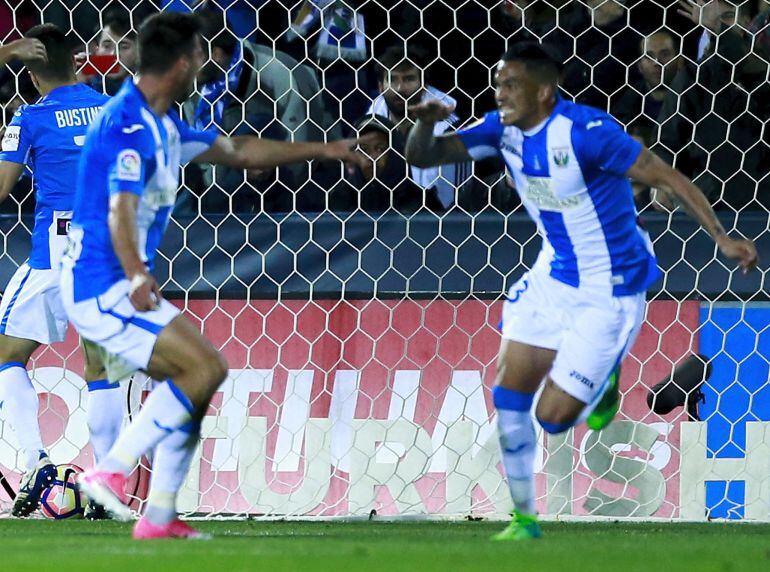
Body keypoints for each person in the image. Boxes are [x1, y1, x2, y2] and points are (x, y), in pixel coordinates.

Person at [404, 42, 757, 541]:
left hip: (610, 284)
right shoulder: (499, 128)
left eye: (510, 85)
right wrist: (425, 121)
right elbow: (425, 156)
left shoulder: (588, 134)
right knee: (509, 390)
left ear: (544, 92)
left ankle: (606, 376)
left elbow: (668, 177)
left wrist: (721, 236)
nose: (499, 93)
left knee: (553, 418)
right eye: (497, 83)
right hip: (554, 271)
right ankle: (524, 519)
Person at [62, 12, 365, 540]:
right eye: (200, 55)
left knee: (196, 380)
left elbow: (239, 151)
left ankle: (157, 516)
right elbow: (120, 210)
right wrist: (136, 276)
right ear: (182, 64)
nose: (205, 63)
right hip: (101, 283)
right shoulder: (127, 124)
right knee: (204, 370)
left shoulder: (164, 124)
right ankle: (109, 469)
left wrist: (325, 149)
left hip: (118, 279)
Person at [0, 24, 118, 519]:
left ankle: (36, 462)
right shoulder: (112, 110)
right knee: (102, 368)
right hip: (108, 250)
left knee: (7, 353)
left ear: (29, 70)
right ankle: (107, 485)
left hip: (55, 252)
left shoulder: (28, 118)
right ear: (78, 59)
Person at [370, 44, 472, 210]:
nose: (400, 89)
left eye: (409, 79)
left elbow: (462, 193)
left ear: (423, 84)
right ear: (380, 86)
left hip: (439, 221)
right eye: (392, 79)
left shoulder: (450, 128)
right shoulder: (370, 122)